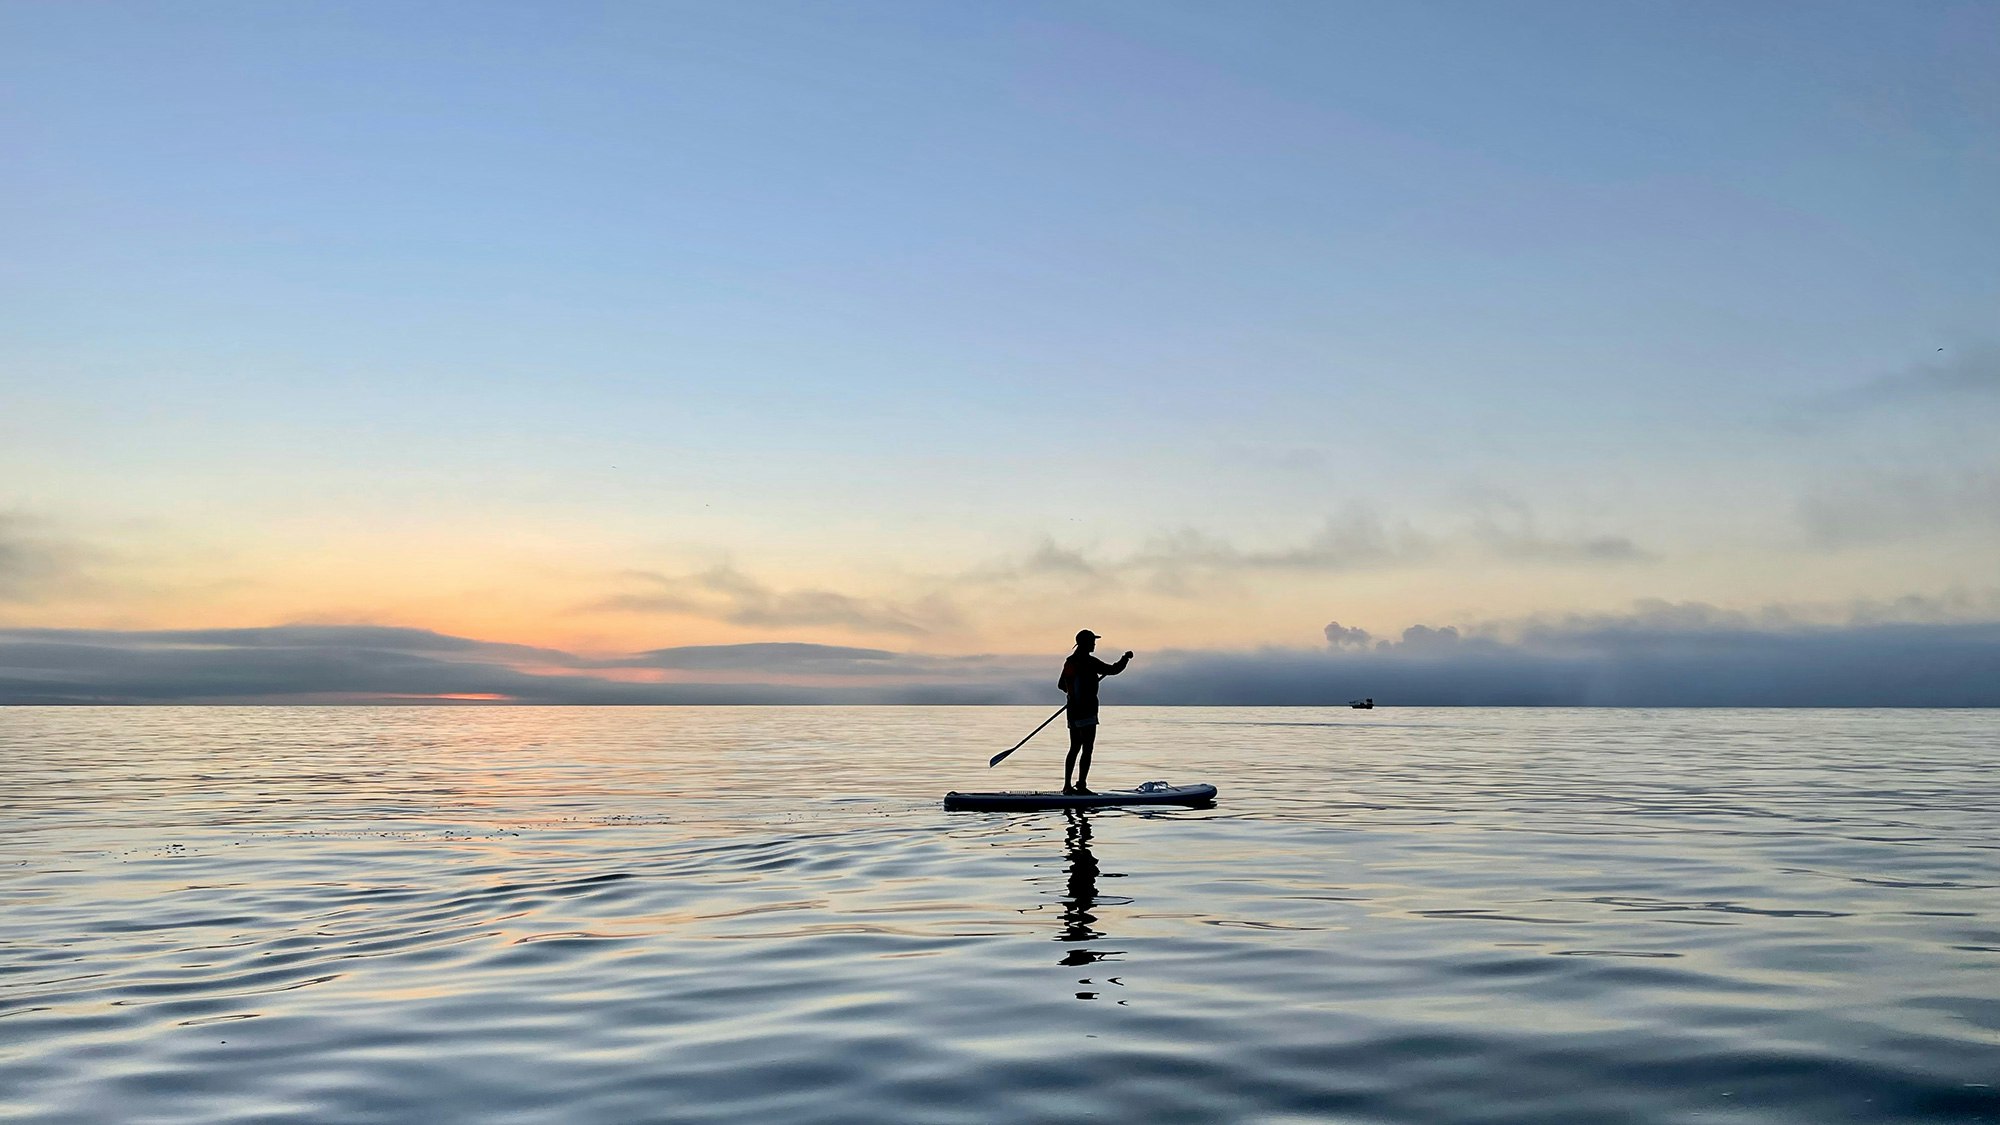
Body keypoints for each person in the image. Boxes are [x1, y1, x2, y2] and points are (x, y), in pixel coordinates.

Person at [1057, 629, 1133, 795]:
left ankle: (1067, 786)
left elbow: (1061, 685)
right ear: (1085, 643)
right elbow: (1113, 670)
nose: (1094, 644)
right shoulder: (1089, 662)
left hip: (1073, 711)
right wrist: (1125, 659)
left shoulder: (1070, 662)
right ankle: (1081, 785)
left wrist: (1073, 694)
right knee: (1087, 748)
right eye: (1092, 641)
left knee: (1075, 747)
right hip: (1087, 711)